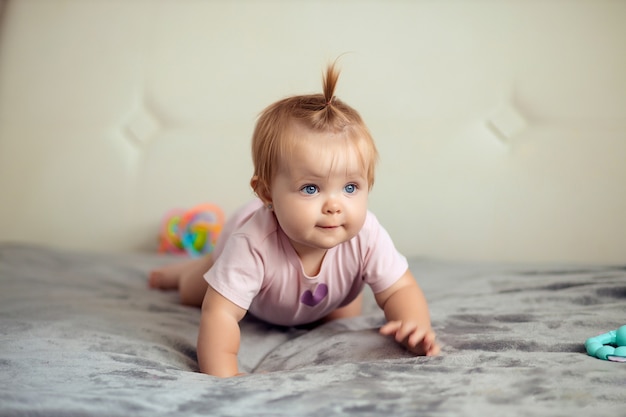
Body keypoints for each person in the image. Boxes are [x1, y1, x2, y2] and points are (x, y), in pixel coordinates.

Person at [149, 62, 440, 377]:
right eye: (311, 188)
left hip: (327, 296)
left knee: (343, 314)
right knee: (197, 291)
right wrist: (224, 375)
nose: (334, 205)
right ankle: (181, 272)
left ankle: (324, 303)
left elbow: (400, 289)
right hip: (251, 276)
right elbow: (220, 314)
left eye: (351, 187)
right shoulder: (251, 244)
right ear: (266, 193)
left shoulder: (366, 233)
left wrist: (414, 326)